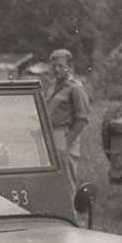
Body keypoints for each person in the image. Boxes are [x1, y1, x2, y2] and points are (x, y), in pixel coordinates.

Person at [46, 48, 90, 189]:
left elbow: (81, 119)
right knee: (51, 184)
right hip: (50, 136)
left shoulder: (75, 89)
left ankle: (71, 211)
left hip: (64, 137)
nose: (57, 69)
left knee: (66, 183)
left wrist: (67, 141)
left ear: (70, 67)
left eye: (61, 66)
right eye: (54, 66)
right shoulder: (53, 87)